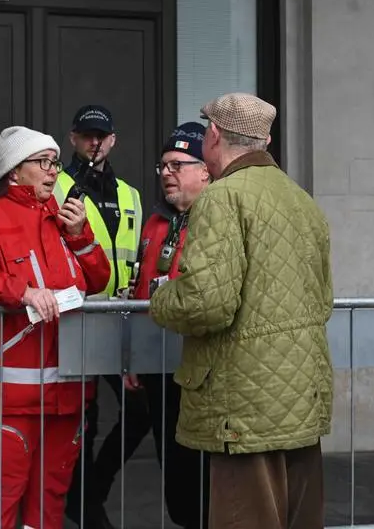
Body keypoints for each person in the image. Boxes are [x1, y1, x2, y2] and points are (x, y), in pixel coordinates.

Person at [149, 93, 334, 529]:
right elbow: (323, 298)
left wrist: (160, 299)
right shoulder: (300, 199)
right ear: (265, 139)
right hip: (300, 397)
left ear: (213, 134)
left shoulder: (223, 197)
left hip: (242, 407)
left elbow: (205, 303)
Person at [0, 125, 112, 529]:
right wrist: (22, 292)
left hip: (65, 388)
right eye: (43, 163)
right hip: (6, 391)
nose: (53, 172)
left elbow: (99, 279)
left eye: (54, 163)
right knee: (1, 491)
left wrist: (80, 235)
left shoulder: (60, 216)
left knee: (51, 495)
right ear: (14, 171)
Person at [52, 105, 147, 529]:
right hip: (78, 317)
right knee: (83, 419)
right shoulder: (58, 187)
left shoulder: (130, 194)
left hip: (122, 318)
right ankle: (83, 505)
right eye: (87, 135)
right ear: (74, 138)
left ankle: (93, 488)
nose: (94, 142)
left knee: (142, 408)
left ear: (112, 140)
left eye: (101, 136)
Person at [125, 122, 212, 529]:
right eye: (163, 165)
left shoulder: (219, 220)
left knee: (206, 474)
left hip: (203, 369)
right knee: (175, 472)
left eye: (177, 165)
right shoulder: (156, 222)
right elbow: (142, 291)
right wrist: (133, 356)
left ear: (205, 171)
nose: (166, 173)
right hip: (159, 366)